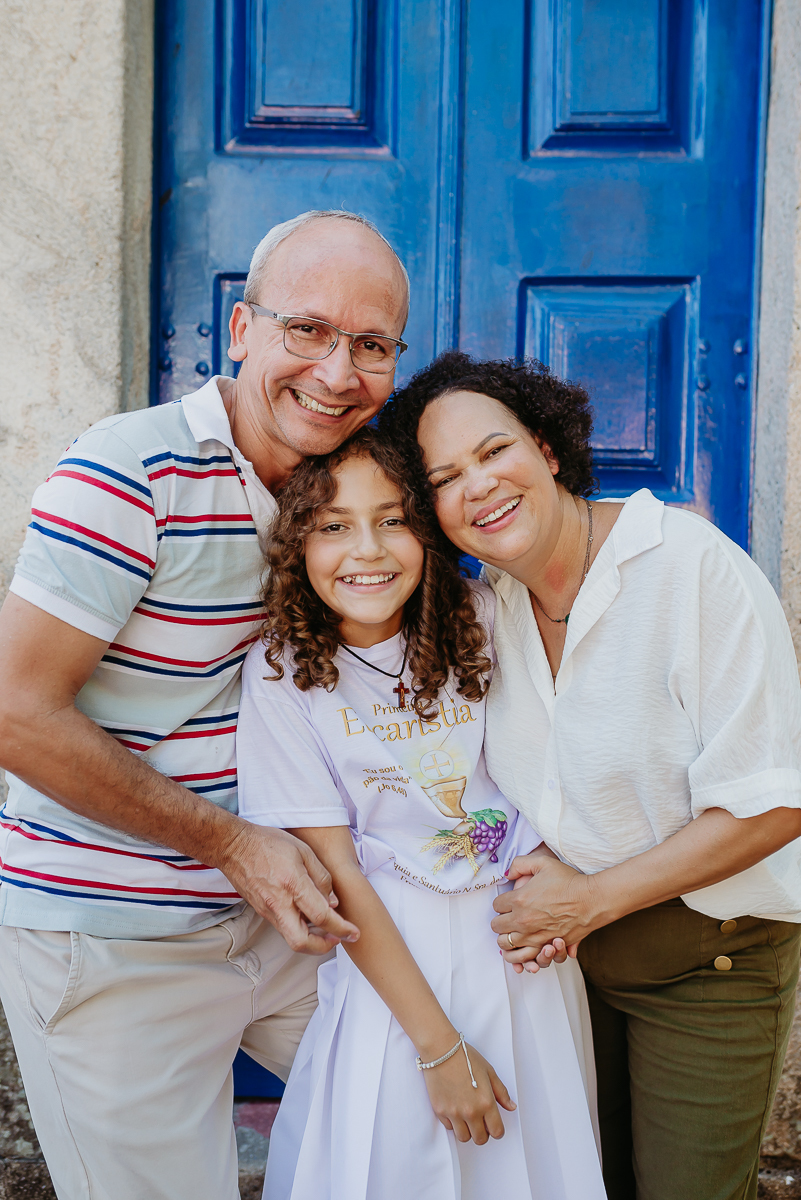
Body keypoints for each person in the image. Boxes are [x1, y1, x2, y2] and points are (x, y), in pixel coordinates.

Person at [0, 210, 409, 1200]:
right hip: (115, 942)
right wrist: (232, 844)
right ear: (240, 328)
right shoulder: (129, 470)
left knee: (430, 1118)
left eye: (370, 345)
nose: (337, 371)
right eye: (306, 329)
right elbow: (15, 711)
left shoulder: (348, 486)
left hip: (287, 923)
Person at [380, 349, 801, 1200]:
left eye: (494, 452)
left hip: (706, 965)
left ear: (544, 446)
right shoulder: (487, 607)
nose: (479, 487)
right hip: (565, 970)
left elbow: (773, 805)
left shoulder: (689, 568)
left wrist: (590, 898)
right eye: (445, 478)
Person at [236, 426, 606, 1200]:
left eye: (394, 518)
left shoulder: (484, 616)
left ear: (428, 532)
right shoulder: (282, 673)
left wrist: (562, 866)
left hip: (520, 948)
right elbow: (335, 873)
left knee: (532, 1165)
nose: (366, 549)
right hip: (390, 966)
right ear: (295, 543)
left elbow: (568, 756)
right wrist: (437, 1048)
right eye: (333, 525)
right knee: (392, 1159)